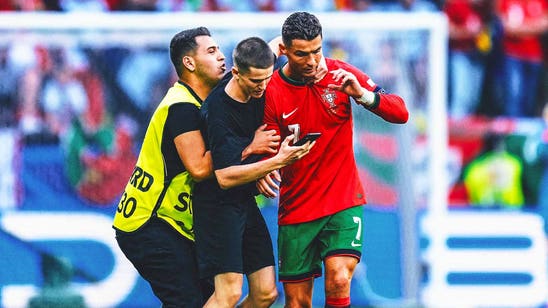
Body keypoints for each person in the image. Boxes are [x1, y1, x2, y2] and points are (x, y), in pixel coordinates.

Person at [258, 12, 409, 308]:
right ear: (284, 51)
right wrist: (265, 164)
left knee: (339, 278)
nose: (313, 61)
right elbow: (268, 145)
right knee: (298, 301)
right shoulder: (272, 90)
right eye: (302, 54)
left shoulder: (340, 74)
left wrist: (363, 95)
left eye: (317, 50)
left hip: (343, 199)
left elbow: (401, 112)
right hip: (297, 206)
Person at [193, 36, 315, 308]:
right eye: (256, 81)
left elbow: (271, 47)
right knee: (229, 293)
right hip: (217, 208)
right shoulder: (218, 110)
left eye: (267, 78)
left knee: (266, 293)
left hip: (244, 204)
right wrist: (276, 161)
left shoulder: (260, 75)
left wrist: (284, 42)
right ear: (235, 73)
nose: (263, 87)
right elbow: (225, 177)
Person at [112, 26, 226, 307]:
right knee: (188, 301)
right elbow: (199, 168)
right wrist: (245, 144)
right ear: (189, 62)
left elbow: (250, 70)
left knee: (209, 297)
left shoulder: (197, 102)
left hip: (169, 223)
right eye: (212, 51)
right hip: (149, 222)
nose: (222, 57)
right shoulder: (181, 107)